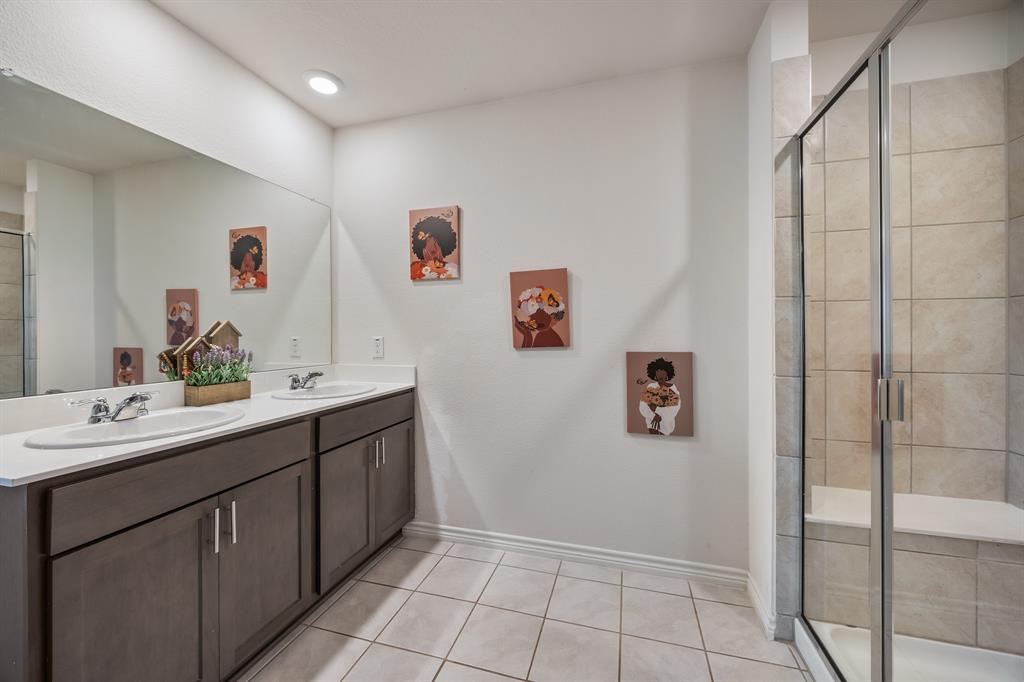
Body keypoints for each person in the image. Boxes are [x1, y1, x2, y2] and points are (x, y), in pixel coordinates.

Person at [637, 357, 680, 435]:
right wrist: (654, 416)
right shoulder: (651, 387)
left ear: (667, 373)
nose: (660, 374)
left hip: (666, 426)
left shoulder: (673, 389)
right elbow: (643, 406)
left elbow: (674, 409)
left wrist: (658, 413)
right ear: (654, 374)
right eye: (657, 371)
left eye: (663, 371)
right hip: (651, 424)